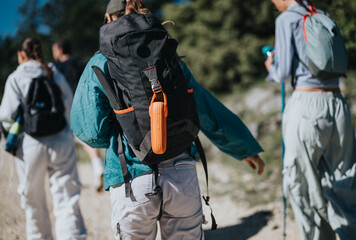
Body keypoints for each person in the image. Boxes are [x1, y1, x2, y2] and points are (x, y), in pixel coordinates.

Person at [71, 0, 265, 239]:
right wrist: (243, 147)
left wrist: (124, 126)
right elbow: (205, 109)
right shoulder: (167, 53)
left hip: (132, 175)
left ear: (109, 19)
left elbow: (89, 130)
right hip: (181, 172)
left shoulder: (100, 62)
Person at [265, 0, 356, 239]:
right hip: (338, 104)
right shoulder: (323, 16)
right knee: (344, 181)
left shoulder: (286, 19)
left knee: (301, 183)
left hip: (306, 105)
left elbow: (283, 72)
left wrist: (271, 66)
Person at [0, 37, 86, 239]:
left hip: (30, 145)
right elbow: (69, 105)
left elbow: (6, 116)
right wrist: (67, 133)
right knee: (67, 199)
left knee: (34, 202)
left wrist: (13, 139)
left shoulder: (15, 77)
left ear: (21, 55)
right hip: (61, 142)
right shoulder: (53, 73)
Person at [52, 39, 105, 192]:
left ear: (60, 50)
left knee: (66, 143)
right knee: (86, 140)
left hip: (65, 108)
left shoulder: (56, 69)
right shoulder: (81, 64)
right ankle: (97, 169)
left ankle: (72, 178)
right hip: (84, 105)